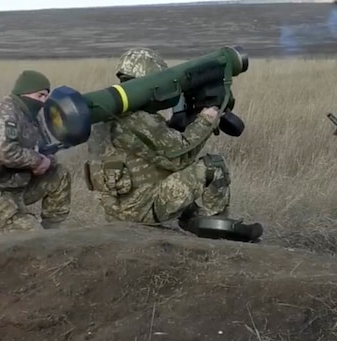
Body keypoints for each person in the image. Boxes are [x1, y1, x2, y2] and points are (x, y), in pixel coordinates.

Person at [83, 48, 262, 241]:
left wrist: (176, 124)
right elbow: (179, 157)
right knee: (213, 166)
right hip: (140, 211)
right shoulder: (137, 119)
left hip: (118, 210)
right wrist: (206, 119)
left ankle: (194, 220)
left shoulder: (107, 115)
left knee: (169, 174)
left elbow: (152, 150)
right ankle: (217, 229)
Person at [0, 70, 72, 234]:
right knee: (32, 236)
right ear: (25, 92)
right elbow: (6, 152)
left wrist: (48, 161)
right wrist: (38, 161)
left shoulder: (32, 116)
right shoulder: (5, 112)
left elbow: (44, 148)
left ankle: (52, 231)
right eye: (40, 95)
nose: (43, 101)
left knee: (59, 174)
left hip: (16, 186)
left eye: (46, 96)